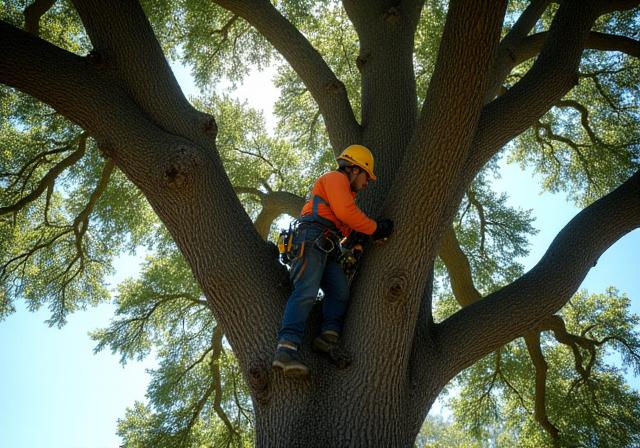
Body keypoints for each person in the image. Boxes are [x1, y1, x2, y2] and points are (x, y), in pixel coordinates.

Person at [272, 144, 394, 377]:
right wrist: (376, 228)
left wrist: (357, 239)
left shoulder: (345, 194)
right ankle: (285, 350)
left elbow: (346, 225)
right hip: (310, 239)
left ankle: (327, 336)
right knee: (306, 291)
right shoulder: (335, 178)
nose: (367, 184)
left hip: (327, 245)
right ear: (354, 170)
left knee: (339, 291)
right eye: (366, 177)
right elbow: (347, 213)